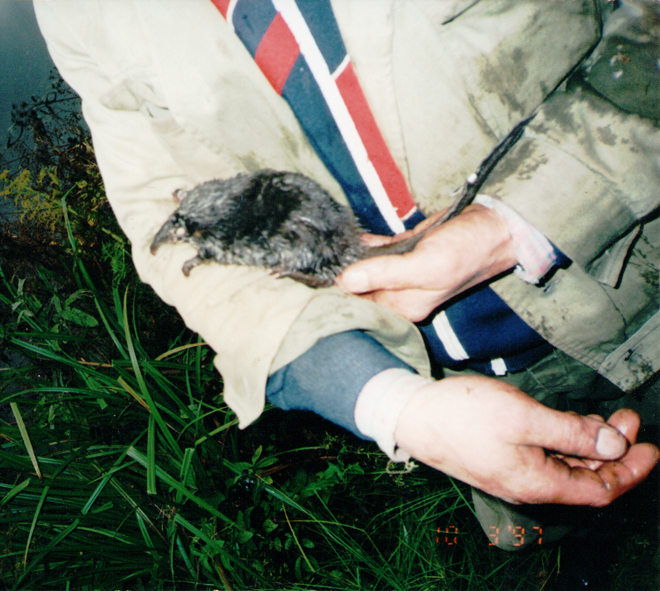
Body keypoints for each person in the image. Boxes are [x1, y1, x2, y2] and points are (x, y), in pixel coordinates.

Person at [33, 0, 660, 531]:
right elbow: (159, 215)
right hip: (467, 387)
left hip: (637, 277)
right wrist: (398, 406)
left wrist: (515, 222)